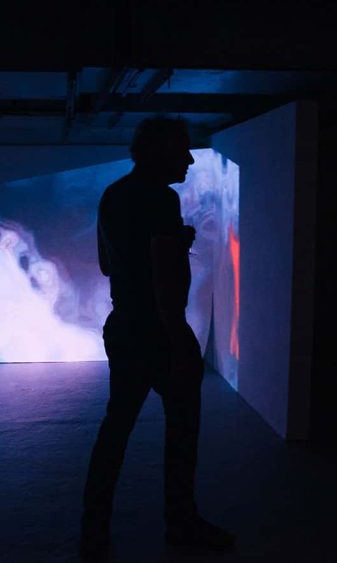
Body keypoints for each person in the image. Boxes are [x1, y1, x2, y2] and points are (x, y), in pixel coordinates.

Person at [79, 116, 235, 559]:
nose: (188, 158)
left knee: (115, 431)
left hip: (125, 326)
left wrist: (167, 241)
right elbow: (165, 280)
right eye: (182, 149)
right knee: (182, 431)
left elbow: (109, 265)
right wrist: (178, 340)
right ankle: (181, 522)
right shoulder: (162, 200)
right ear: (160, 152)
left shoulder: (113, 195)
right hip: (159, 331)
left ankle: (94, 530)